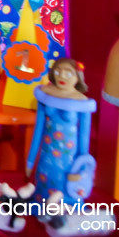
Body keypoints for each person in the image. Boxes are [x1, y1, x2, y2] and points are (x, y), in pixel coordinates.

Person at [27, 58, 97, 204]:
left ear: (78, 77)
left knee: (65, 194)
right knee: (43, 194)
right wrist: (30, 161)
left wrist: (82, 168)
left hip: (69, 160)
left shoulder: (82, 102)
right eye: (58, 72)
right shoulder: (45, 94)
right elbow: (38, 130)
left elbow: (84, 138)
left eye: (68, 73)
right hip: (46, 158)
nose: (62, 77)